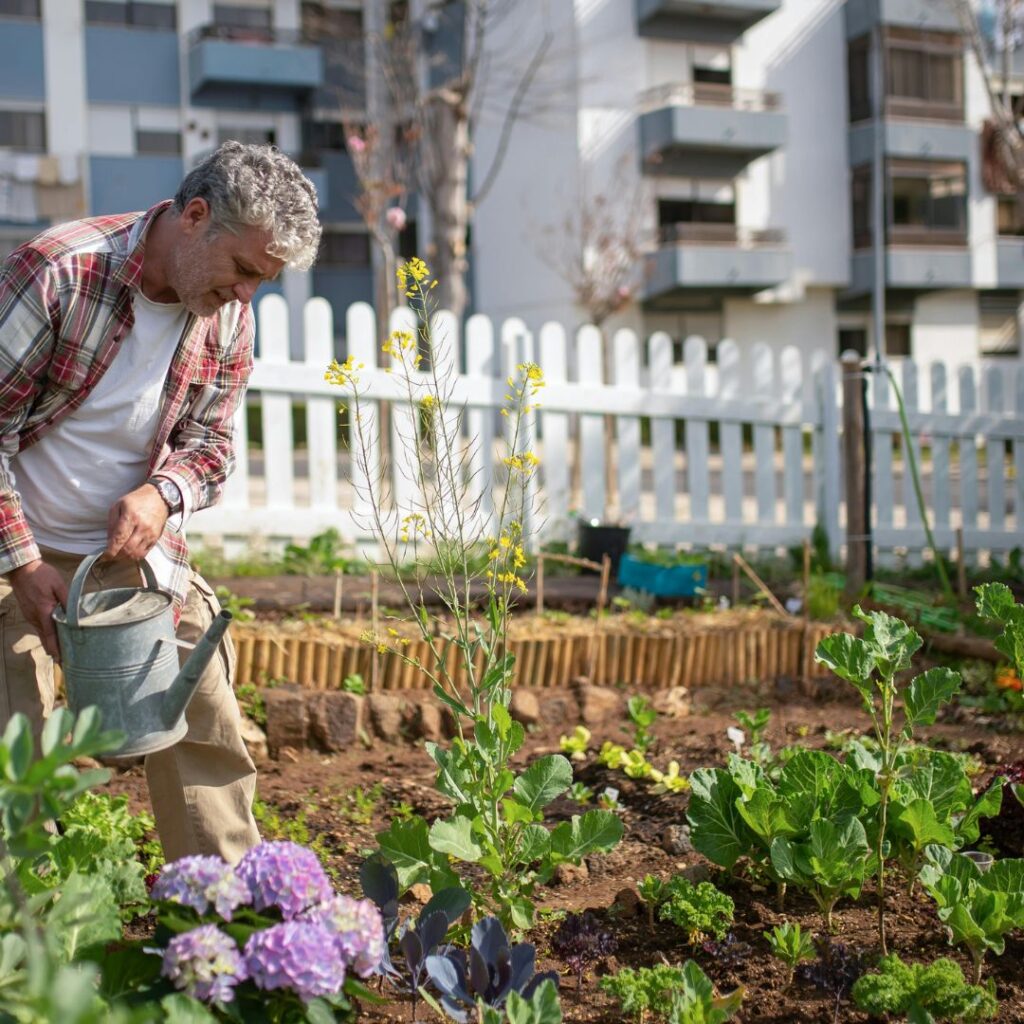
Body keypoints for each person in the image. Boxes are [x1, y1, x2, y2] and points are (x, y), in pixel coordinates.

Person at [0, 141, 322, 863]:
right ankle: (28, 914)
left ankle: (220, 906)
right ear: (195, 216)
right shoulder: (61, 272)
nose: (248, 295)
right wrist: (22, 565)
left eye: (264, 280)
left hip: (127, 556)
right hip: (10, 547)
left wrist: (161, 493)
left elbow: (212, 445)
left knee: (199, 699)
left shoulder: (226, 314)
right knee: (12, 724)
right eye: (243, 269)